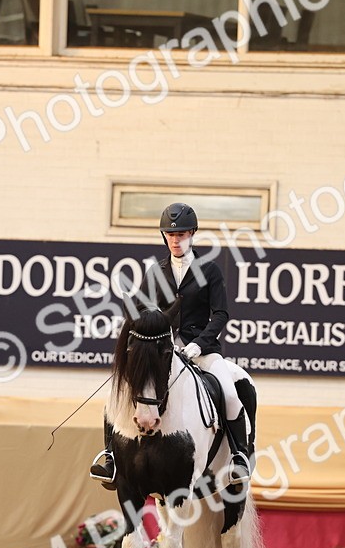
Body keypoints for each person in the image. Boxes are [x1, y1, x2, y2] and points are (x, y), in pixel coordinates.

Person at [91, 202, 255, 487]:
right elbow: (140, 313)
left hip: (200, 350)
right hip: (162, 351)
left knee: (229, 393)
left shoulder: (209, 270)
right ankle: (110, 457)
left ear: (192, 233)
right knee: (115, 394)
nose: (175, 240)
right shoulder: (156, 272)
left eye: (181, 234)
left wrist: (200, 345)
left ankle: (240, 456)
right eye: (170, 234)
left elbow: (221, 314)